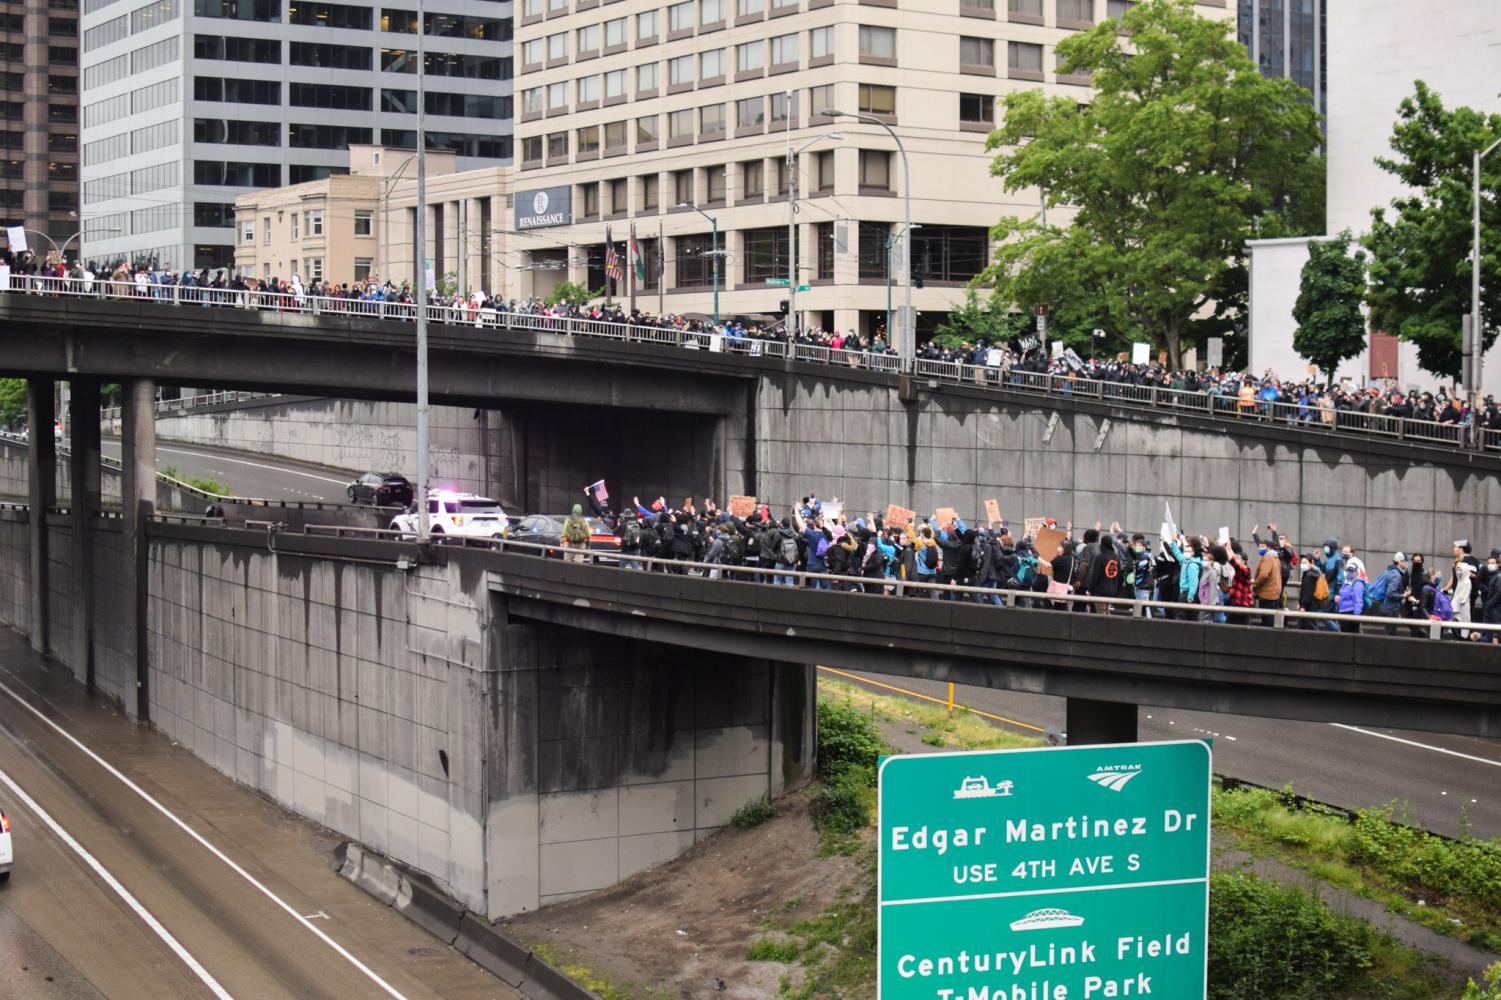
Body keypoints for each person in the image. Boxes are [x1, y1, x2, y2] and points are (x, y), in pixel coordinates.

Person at [1252, 541, 1282, 626]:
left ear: (1268, 548)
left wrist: (1255, 584)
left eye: (1263, 546)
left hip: (1267, 593)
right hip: (1274, 592)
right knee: (1271, 618)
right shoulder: (1275, 557)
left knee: (1267, 620)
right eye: (1259, 546)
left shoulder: (1267, 558)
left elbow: (1264, 575)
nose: (1260, 548)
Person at [1336, 558, 1366, 633]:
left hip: (1350, 613)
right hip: (1343, 612)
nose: (1349, 572)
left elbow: (1358, 601)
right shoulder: (1346, 583)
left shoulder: (1357, 584)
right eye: (1348, 570)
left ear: (1356, 572)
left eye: (1351, 571)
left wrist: (1356, 616)